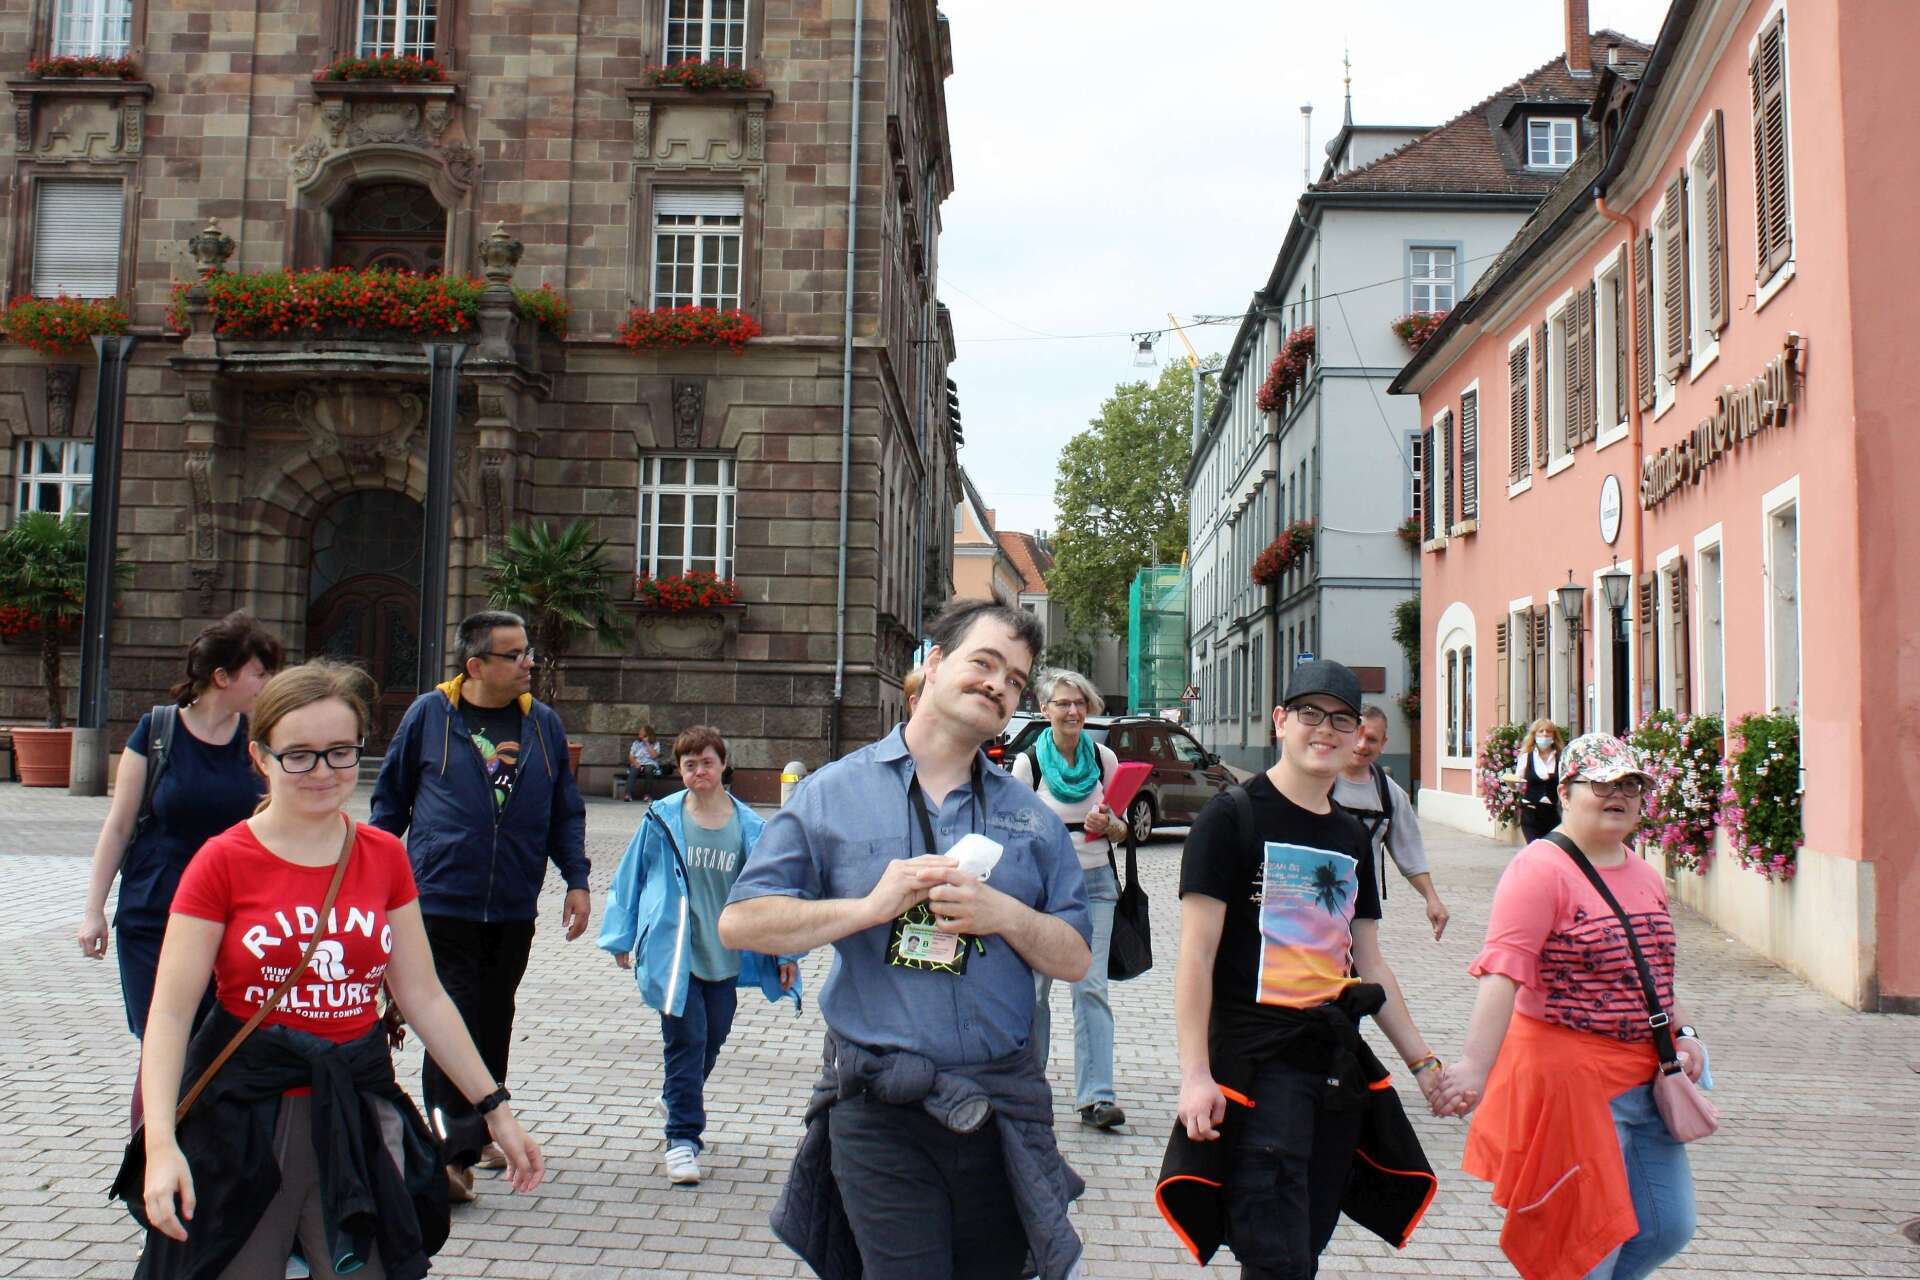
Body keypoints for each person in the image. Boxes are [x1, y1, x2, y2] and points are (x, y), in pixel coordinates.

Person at [118, 661, 545, 1278]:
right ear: (261, 756)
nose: (323, 772)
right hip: (246, 1119)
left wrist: (495, 1110)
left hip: (354, 1112)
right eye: (300, 755)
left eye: (340, 752)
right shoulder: (222, 861)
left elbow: (423, 995)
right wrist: (160, 1144)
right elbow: (172, 1012)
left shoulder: (383, 855)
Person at [719, 598, 1093, 1280]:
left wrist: (1003, 914)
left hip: (1000, 1109)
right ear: (935, 661)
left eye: (1014, 679)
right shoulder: (832, 794)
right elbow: (742, 921)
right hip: (880, 1111)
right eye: (985, 663)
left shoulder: (1030, 818)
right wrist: (868, 907)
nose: (998, 685)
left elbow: (1074, 957)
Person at [1161, 660, 1445, 1278]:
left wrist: (1424, 1065)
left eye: (1342, 718)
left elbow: (1368, 962)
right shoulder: (1231, 817)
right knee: (1276, 1256)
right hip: (1255, 1070)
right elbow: (1196, 956)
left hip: (1332, 1072)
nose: (1327, 729)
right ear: (1280, 722)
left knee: (1304, 1249)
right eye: (1311, 714)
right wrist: (1193, 1075)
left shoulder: (1349, 837)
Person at [1436, 733, 1707, 1280]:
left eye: (1631, 784)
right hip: (1573, 1085)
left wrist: (1685, 1032)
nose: (1619, 794)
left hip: (1647, 1075)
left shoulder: (1645, 872)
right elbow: (1503, 971)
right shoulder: (1540, 868)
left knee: (1666, 1226)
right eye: (1602, 782)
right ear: (1565, 791)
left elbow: (1654, 969)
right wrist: (1474, 1066)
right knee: (1583, 1244)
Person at [369, 609, 589, 1203]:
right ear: (476, 665)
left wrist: (576, 878)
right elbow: (389, 804)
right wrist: (374, 880)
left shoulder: (541, 724)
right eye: (515, 655)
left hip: (513, 903)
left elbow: (565, 811)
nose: (528, 663)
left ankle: (484, 1123)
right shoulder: (429, 716)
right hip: (438, 899)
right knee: (453, 1017)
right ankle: (452, 1155)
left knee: (493, 1017)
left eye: (528, 653)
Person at [599, 725, 801, 1187]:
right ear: (681, 770)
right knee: (687, 1041)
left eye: (706, 763)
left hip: (724, 956)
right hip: (675, 957)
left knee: (713, 1037)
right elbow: (630, 877)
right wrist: (620, 936)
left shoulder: (750, 825)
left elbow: (773, 892)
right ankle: (682, 1140)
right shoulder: (662, 819)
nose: (698, 772)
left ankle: (676, 1095)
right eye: (689, 765)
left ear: (723, 764)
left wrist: (786, 951)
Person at [77, 612, 285, 1048]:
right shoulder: (157, 731)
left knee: (217, 1044)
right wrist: (94, 910)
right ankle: (158, 1118)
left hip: (233, 918)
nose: (268, 682)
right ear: (222, 676)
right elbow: (118, 827)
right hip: (153, 911)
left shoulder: (260, 742)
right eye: (259, 673)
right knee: (159, 1039)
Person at [1009, 667, 1127, 1130]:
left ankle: (1097, 1098)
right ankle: (1029, 1090)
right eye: (1063, 703)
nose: (1073, 710)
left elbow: (1120, 829)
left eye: (1080, 702)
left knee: (1091, 988)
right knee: (1036, 991)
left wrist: (1109, 827)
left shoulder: (1104, 760)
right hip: (1045, 893)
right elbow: (1014, 836)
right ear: (1045, 711)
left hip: (1097, 885)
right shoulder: (1028, 765)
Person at [1332, 705, 1450, 940]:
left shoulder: (1389, 794)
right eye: (1358, 735)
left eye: (1372, 739)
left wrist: (1432, 899)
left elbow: (1410, 854)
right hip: (1314, 903)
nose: (1363, 745)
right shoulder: (1318, 782)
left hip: (1363, 909)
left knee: (1361, 971)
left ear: (1383, 743)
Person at [1513, 718, 1566, 844]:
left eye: (1548, 732)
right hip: (1531, 811)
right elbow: (1517, 782)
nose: (1544, 734)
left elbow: (1565, 782)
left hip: (1553, 813)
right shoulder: (1526, 757)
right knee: (1535, 847)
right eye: (1540, 731)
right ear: (1534, 735)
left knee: (1552, 847)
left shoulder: (1561, 758)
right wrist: (1513, 784)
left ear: (1553, 735)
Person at [624, 724, 663, 802]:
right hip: (637, 762)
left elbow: (654, 756)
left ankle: (647, 795)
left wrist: (647, 744)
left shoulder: (655, 743)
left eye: (641, 732)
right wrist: (636, 763)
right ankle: (628, 794)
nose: (639, 733)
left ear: (647, 734)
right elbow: (631, 756)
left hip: (650, 763)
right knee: (633, 771)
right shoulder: (636, 743)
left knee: (648, 770)